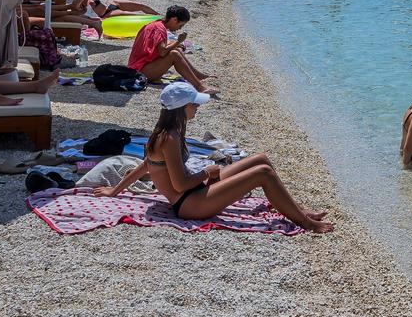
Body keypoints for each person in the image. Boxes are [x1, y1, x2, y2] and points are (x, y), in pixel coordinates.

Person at [97, 83, 332, 232]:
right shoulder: (168, 137)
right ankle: (306, 223)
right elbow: (179, 184)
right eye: (194, 104)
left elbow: (143, 167)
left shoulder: (170, 130)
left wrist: (114, 191)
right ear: (182, 107)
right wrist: (206, 173)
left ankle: (298, 210)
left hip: (195, 191)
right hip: (189, 204)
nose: (197, 108)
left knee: (260, 159)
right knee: (263, 174)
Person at [128, 5, 219, 94]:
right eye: (180, 25)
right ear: (174, 19)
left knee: (177, 51)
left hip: (142, 66)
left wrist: (176, 45)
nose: (180, 28)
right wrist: (178, 41)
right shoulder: (158, 28)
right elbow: (162, 52)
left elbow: (156, 47)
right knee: (174, 54)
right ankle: (200, 87)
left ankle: (198, 76)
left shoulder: (157, 24)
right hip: (139, 72)